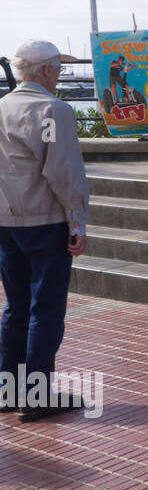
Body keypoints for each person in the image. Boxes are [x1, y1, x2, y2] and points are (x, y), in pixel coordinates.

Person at [0, 39, 90, 421]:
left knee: (17, 306)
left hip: (6, 222)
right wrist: (78, 221)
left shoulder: (1, 108)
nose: (60, 74)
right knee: (46, 308)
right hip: (45, 222)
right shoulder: (53, 111)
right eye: (59, 68)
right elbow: (63, 172)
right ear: (46, 70)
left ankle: (8, 389)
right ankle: (37, 394)